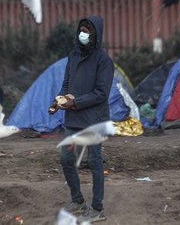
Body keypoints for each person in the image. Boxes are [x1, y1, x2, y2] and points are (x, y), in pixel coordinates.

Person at [48, 15, 114, 223]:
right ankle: (77, 200)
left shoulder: (104, 61)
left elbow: (101, 93)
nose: (83, 34)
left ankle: (97, 208)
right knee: (66, 159)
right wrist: (58, 101)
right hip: (74, 119)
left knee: (94, 162)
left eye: (88, 31)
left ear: (96, 35)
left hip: (95, 120)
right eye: (82, 30)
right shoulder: (73, 56)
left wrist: (74, 102)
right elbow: (66, 84)